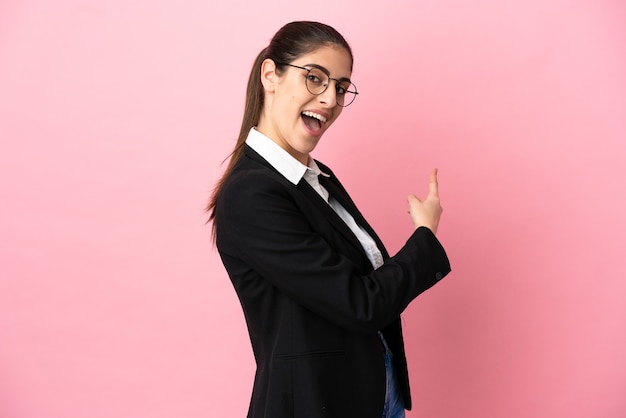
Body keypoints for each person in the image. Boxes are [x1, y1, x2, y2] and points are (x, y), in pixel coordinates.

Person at [207, 21, 451, 418]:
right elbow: (361, 303)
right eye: (315, 79)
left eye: (340, 87)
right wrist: (424, 237)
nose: (329, 98)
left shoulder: (317, 180)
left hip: (374, 394)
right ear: (271, 75)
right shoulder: (251, 194)